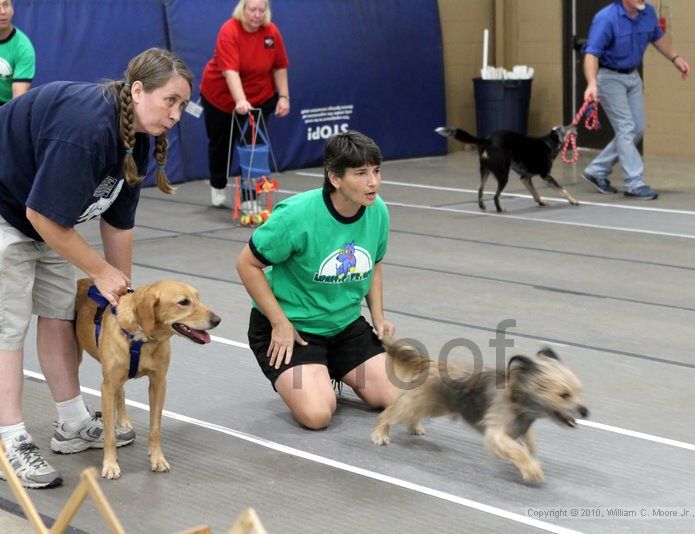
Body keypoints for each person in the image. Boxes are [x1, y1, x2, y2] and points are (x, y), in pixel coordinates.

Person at [0, 48, 192, 488]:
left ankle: (71, 422)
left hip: (46, 213)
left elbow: (118, 223)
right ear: (138, 90)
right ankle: (10, 440)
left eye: (182, 105)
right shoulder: (86, 129)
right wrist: (101, 274)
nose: (177, 114)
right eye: (170, 101)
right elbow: (41, 216)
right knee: (7, 326)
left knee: (58, 313)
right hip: (13, 209)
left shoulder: (138, 139)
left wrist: (121, 297)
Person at [236, 131, 397, 430]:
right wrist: (279, 323)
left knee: (394, 396)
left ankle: (333, 366)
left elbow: (373, 263)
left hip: (344, 327)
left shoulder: (378, 211)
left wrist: (378, 316)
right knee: (318, 415)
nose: (373, 182)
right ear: (335, 178)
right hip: (293, 331)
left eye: (376, 171)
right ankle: (312, 370)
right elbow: (246, 264)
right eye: (361, 173)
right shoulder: (295, 215)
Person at [581, 0, 690, 200]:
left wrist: (676, 58)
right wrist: (592, 83)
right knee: (626, 127)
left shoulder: (647, 12)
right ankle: (634, 182)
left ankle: (596, 170)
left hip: (632, 76)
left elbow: (657, 36)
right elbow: (591, 54)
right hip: (609, 77)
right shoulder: (606, 18)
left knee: (637, 128)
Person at [200, 0, 290, 207]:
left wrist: (284, 97)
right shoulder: (229, 30)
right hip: (221, 97)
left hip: (260, 96)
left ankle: (250, 199)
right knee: (221, 145)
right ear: (243, 9)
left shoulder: (271, 32)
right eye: (252, 10)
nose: (257, 15)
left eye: (262, 10)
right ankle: (218, 184)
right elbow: (230, 71)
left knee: (254, 149)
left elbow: (280, 65)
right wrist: (240, 100)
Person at [0, 0, 35, 105]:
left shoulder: (24, 48)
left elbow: (17, 102)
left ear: (12, 9)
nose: (2, 11)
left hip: (6, 108)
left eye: (5, 5)